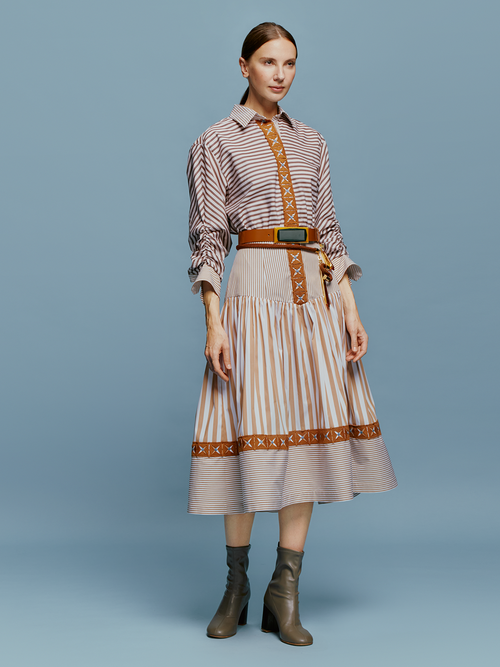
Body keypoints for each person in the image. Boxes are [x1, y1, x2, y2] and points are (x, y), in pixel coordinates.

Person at [186, 22, 398, 646]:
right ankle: (236, 585)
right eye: (269, 62)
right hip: (252, 296)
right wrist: (213, 320)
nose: (280, 73)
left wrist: (350, 308)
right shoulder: (215, 142)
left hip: (314, 300)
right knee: (248, 432)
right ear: (244, 66)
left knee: (302, 438)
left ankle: (285, 591)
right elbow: (206, 238)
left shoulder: (313, 143)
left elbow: (329, 229)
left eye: (291, 64)